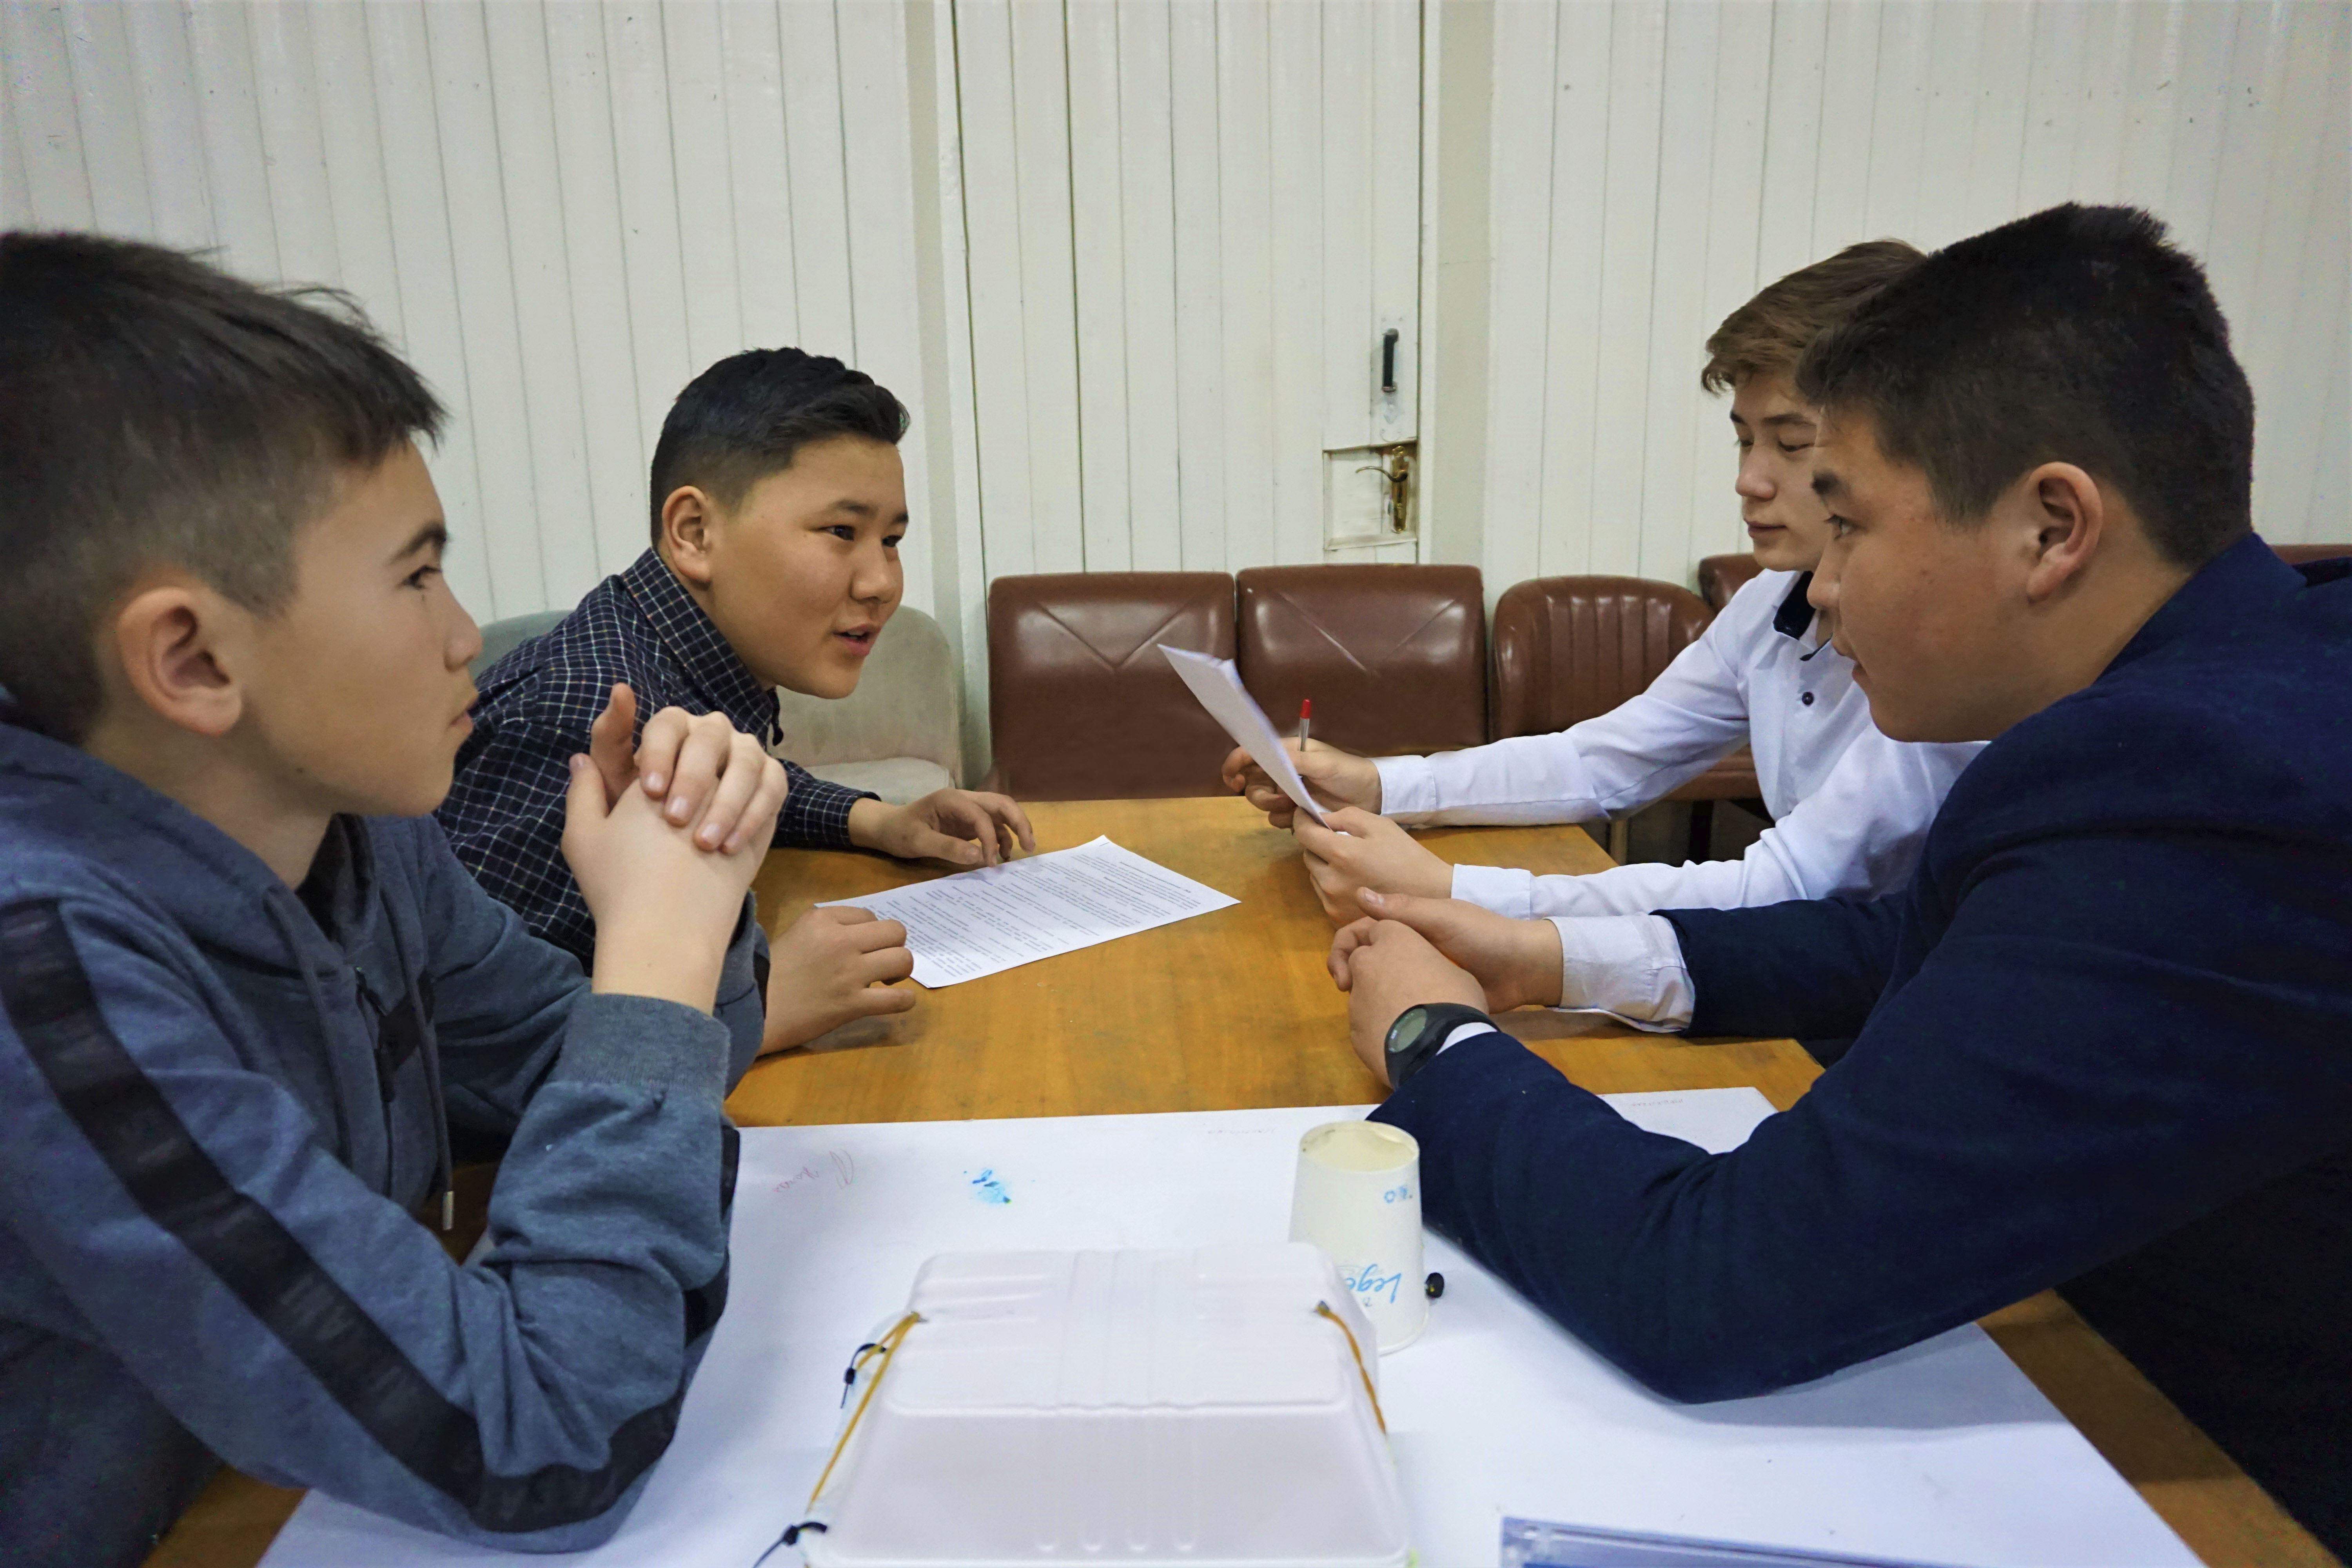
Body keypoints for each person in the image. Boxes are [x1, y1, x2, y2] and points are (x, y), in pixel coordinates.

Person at [1324, 205, 2352, 1553]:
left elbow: (1714, 1288)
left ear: (2051, 529)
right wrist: (1552, 957)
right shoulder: (2242, 689)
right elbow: (1903, 943)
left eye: (1851, 522)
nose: (1827, 588)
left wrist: (1435, 1042)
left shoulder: (2193, 787)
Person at [0, 234, 785, 1563]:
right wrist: (654, 957)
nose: (466, 633)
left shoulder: (350, 826)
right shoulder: (42, 969)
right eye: (418, 575)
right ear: (191, 660)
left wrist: (682, 890)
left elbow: (608, 1071)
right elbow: (548, 1440)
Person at [1225, 242, 1986, 933]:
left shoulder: (1944, 654)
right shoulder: (1771, 600)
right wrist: (1380, 785)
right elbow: (1605, 759)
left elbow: (1788, 887)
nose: (1748, 480)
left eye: (1790, 444)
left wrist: (1452, 891)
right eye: (1743, 439)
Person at [439, 348, 1034, 1053]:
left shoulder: (667, 653)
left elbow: (735, 779)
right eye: (842, 532)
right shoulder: (584, 714)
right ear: (695, 533)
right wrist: (761, 1009)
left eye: (892, 540)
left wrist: (879, 822)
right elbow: (471, 1046)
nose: (881, 582)